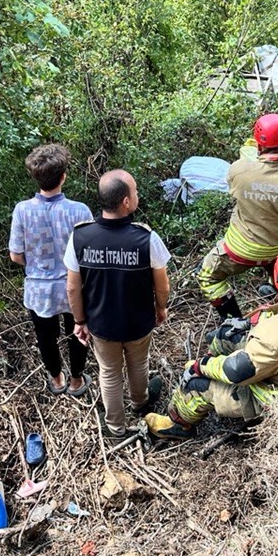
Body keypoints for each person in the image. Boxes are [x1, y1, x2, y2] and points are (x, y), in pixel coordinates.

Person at [146, 247, 278, 440]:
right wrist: (252, 321)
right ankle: (212, 364)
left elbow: (237, 371)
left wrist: (202, 366)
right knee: (226, 335)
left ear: (277, 276)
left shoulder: (277, 337)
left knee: (195, 385)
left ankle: (178, 425)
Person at [65, 170, 170, 437]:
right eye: (134, 192)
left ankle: (115, 426)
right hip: (138, 322)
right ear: (125, 201)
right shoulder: (146, 238)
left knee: (109, 373)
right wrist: (161, 307)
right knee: (138, 364)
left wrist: (79, 321)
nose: (137, 196)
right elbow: (162, 284)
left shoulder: (80, 237)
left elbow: (72, 287)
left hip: (102, 325)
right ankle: (139, 402)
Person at [199, 114, 278, 320]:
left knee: (207, 276)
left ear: (258, 142)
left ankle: (234, 324)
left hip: (240, 249)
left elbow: (249, 165)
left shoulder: (238, 171)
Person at [9, 144, 93, 395]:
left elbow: (15, 255)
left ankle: (57, 380)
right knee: (79, 332)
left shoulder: (22, 210)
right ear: (63, 176)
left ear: (35, 177)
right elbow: (88, 255)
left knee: (45, 337)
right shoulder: (79, 211)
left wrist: (35, 264)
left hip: (39, 288)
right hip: (73, 286)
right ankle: (77, 381)